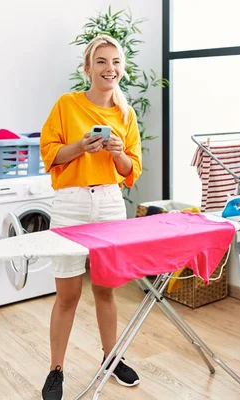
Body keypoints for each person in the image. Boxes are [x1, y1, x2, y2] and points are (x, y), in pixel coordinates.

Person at [39, 34, 143, 400]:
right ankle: (56, 370)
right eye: (101, 61)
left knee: (106, 290)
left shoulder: (126, 114)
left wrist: (117, 153)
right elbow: (50, 154)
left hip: (111, 203)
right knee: (67, 294)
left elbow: (133, 168)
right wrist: (81, 146)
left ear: (121, 68)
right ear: (88, 68)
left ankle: (111, 358)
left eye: (115, 61)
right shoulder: (67, 104)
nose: (109, 68)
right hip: (71, 203)